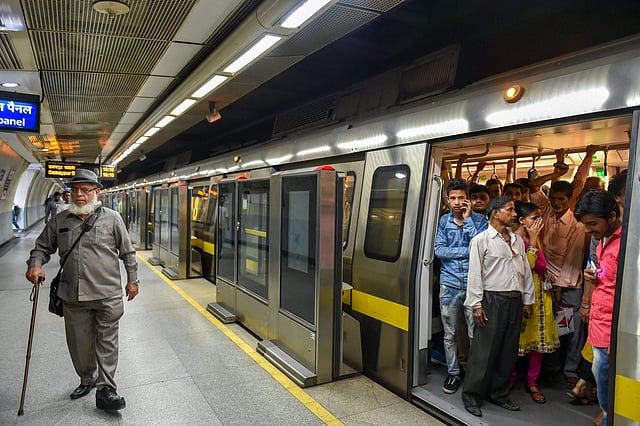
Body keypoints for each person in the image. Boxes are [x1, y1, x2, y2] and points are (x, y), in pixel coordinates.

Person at [25, 169, 139, 412]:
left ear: (96, 193)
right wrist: (35, 265)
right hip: (73, 295)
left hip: (107, 293)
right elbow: (41, 248)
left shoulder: (112, 219)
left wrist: (133, 280)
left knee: (108, 340)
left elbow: (128, 252)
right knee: (79, 343)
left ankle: (106, 389)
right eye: (75, 190)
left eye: (85, 190)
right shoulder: (60, 221)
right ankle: (87, 379)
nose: (79, 195)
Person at [530, 144, 598, 387]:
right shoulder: (546, 210)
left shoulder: (577, 226)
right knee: (549, 325)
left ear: (570, 200)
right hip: (547, 281)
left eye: (562, 199)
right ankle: (551, 368)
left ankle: (570, 370)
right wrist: (556, 174)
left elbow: (572, 262)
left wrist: (558, 287)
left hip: (569, 285)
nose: (557, 202)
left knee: (572, 329)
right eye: (554, 198)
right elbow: (533, 187)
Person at [462, 196, 534, 417]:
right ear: (495, 213)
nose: (514, 214)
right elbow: (475, 275)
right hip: (492, 300)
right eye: (509, 210)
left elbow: (526, 272)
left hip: (514, 301)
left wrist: (527, 300)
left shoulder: (517, 240)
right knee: (483, 352)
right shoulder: (481, 240)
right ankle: (472, 396)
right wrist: (476, 305)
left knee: (507, 351)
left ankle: (499, 394)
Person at [434, 179, 488, 394]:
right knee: (450, 334)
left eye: (461, 198)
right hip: (449, 285)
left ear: (468, 199)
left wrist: (467, 221)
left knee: (475, 335)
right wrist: (466, 252)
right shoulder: (443, 221)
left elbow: (481, 249)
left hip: (474, 286)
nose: (457, 203)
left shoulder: (480, 221)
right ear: (447, 200)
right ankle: (454, 373)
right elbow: (439, 250)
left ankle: (474, 376)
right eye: (453, 198)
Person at [574, 190, 622, 426]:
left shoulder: (627, 243)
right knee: (600, 373)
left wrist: (617, 336)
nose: (587, 230)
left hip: (613, 326)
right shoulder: (602, 239)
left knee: (607, 376)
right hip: (599, 322)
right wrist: (596, 277)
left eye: (592, 224)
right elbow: (610, 277)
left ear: (612, 216)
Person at [512, 201, 560, 403]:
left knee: (537, 344)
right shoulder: (515, 240)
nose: (539, 221)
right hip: (524, 296)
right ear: (522, 220)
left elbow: (541, 265)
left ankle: (532, 381)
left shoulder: (535, 237)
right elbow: (527, 266)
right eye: (534, 218)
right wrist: (532, 241)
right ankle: (510, 379)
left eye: (540, 217)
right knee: (516, 342)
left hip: (541, 295)